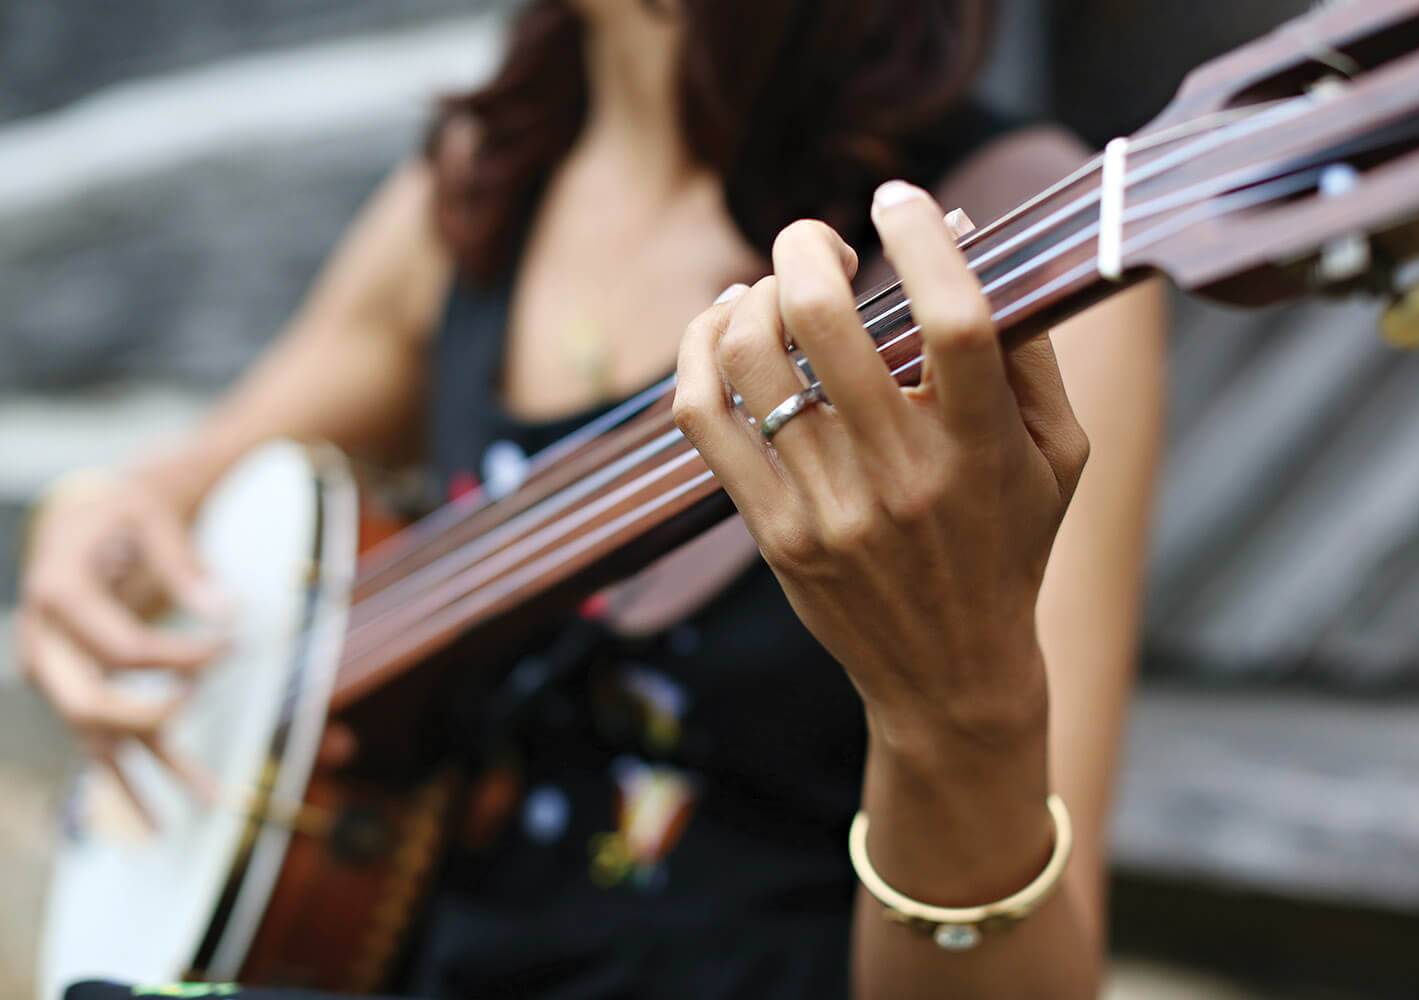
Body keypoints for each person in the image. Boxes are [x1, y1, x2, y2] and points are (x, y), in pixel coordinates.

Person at [18, 0, 1164, 997]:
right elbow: (185, 482)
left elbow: (1037, 978)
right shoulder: (478, 179)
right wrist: (91, 519)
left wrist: (954, 715)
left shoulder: (1021, 253)